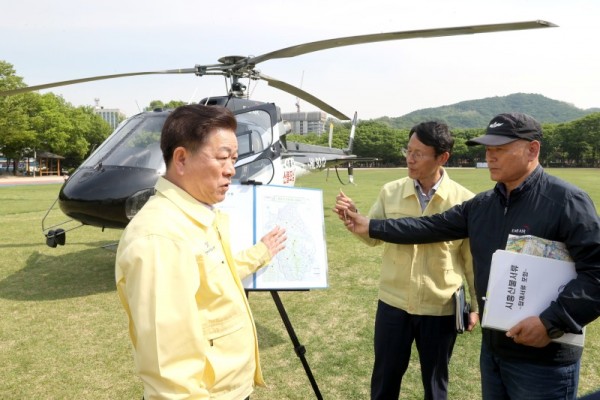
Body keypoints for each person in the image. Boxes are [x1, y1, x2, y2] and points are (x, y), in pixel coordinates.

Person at [335, 112, 600, 400]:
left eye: (500, 149)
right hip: (495, 350)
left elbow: (596, 272)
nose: (491, 156)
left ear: (532, 149)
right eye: (488, 149)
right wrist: (370, 225)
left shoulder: (566, 202)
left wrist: (552, 321)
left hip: (543, 360)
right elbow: (427, 226)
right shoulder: (482, 205)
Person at [115, 104, 287, 400]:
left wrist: (261, 252)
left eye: (234, 158)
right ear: (181, 158)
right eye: (222, 158)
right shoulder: (160, 237)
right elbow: (168, 368)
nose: (232, 169)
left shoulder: (195, 214)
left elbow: (215, 273)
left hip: (229, 388)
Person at [336, 121, 479, 400]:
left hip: (440, 308)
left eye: (419, 153)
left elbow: (471, 261)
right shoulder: (390, 191)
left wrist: (476, 306)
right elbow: (374, 236)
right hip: (393, 304)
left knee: (436, 387)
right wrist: (355, 222)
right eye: (408, 150)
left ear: (442, 157)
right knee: (384, 383)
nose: (409, 159)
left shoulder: (465, 201)